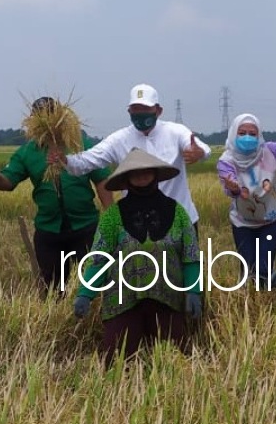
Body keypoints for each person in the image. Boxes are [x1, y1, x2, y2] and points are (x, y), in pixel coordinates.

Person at [72, 148, 203, 364]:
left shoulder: (178, 212)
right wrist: (86, 293)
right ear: (127, 179)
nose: (141, 176)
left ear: (155, 174)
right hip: (123, 299)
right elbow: (99, 258)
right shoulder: (113, 216)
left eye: (146, 171)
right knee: (116, 360)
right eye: (135, 173)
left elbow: (191, 257)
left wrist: (193, 291)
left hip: (168, 297)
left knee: (176, 361)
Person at [0, 97, 115, 296]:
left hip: (85, 227)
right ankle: (55, 324)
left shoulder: (81, 144)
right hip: (49, 230)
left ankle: (92, 321)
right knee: (51, 288)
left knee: (93, 281)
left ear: (61, 117)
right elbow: (7, 183)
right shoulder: (28, 152)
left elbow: (101, 180)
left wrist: (111, 217)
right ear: (33, 121)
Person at [50, 84, 210, 231]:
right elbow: (86, 161)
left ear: (158, 111)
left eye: (145, 109)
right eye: (136, 110)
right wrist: (65, 160)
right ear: (129, 112)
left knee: (185, 262)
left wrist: (199, 153)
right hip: (137, 224)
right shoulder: (119, 139)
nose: (140, 114)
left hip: (180, 219)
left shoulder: (175, 132)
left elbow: (200, 148)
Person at [216, 110, 276, 284]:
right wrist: (234, 189)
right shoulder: (226, 161)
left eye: (252, 134)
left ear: (259, 134)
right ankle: (250, 302)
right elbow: (229, 185)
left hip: (273, 218)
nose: (247, 137)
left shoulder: (271, 152)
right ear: (233, 134)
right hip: (242, 221)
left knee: (262, 267)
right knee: (247, 268)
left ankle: (267, 290)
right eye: (242, 133)